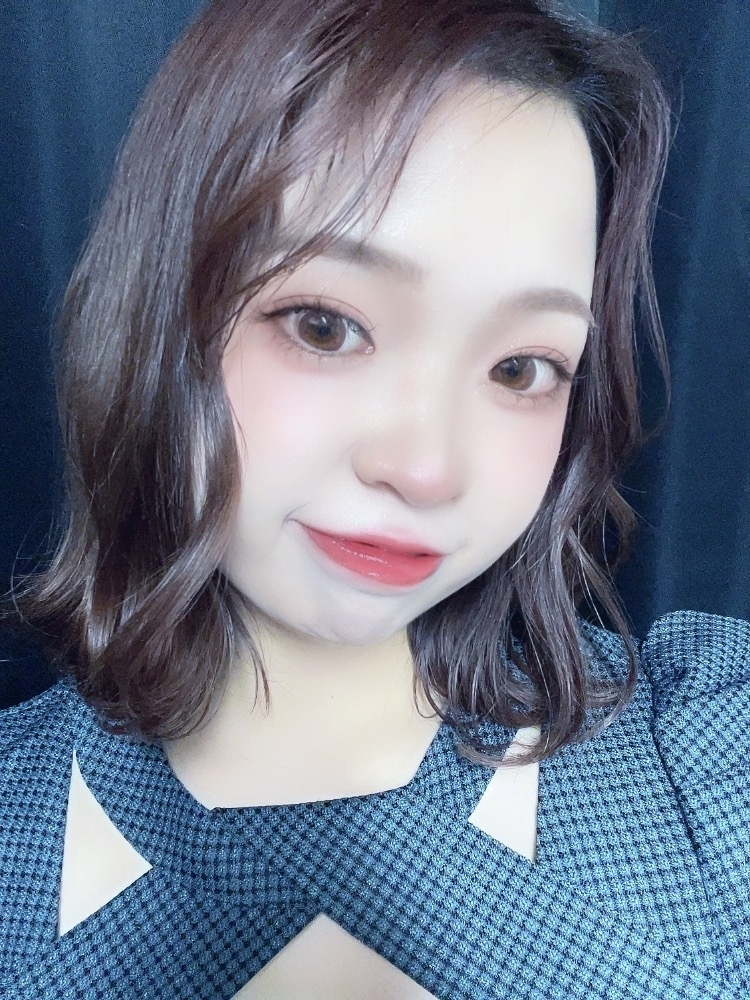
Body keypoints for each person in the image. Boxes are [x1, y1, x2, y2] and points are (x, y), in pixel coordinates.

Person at [1, 0, 748, 997]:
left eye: (521, 368)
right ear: (160, 318)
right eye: (324, 325)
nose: (427, 468)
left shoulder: (706, 764)